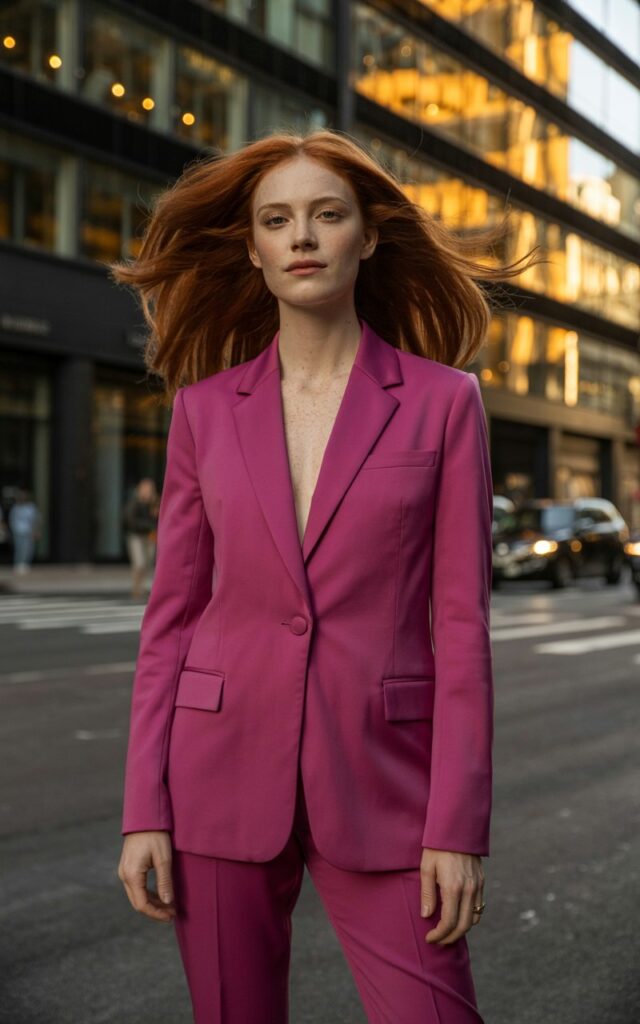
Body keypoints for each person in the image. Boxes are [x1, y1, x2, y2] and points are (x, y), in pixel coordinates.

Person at [111, 128, 544, 1023]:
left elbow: (460, 627)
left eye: (326, 214)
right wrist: (142, 808)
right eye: (278, 220)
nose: (302, 236)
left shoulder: (443, 403)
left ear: (368, 236)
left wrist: (456, 828)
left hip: (385, 783)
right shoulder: (202, 414)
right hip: (216, 778)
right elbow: (171, 622)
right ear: (257, 249)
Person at [122, 478, 159, 599]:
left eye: (150, 490)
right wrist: (148, 526)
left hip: (150, 537)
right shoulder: (134, 503)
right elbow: (130, 521)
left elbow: (159, 519)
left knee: (147, 563)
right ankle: (136, 588)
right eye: (146, 490)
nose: (148, 493)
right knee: (139, 562)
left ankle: (141, 586)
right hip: (136, 536)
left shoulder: (154, 503)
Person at [8, 488, 41, 574]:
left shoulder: (31, 508)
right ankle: (18, 564)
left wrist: (36, 531)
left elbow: (35, 520)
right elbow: (12, 520)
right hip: (18, 531)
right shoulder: (15, 508)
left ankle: (25, 565)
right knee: (19, 548)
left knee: (28, 549)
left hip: (28, 531)